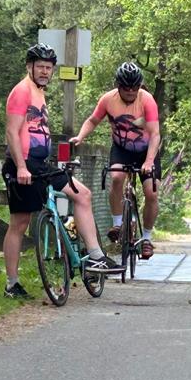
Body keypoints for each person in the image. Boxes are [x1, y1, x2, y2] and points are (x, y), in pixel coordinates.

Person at [0, 44, 112, 298]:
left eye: (48, 68)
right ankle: (11, 284)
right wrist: (20, 166)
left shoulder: (39, 93)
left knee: (82, 194)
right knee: (19, 223)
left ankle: (95, 256)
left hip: (41, 164)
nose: (44, 71)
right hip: (23, 164)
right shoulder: (21, 91)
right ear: (29, 67)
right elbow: (11, 131)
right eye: (40, 66)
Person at [68, 60, 162, 260]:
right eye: (126, 88)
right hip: (121, 148)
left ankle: (146, 238)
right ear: (118, 86)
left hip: (147, 150)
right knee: (117, 177)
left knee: (151, 192)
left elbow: (155, 134)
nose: (131, 92)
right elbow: (93, 120)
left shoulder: (147, 100)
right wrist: (80, 137)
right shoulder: (108, 99)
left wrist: (148, 161)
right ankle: (118, 224)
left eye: (134, 88)